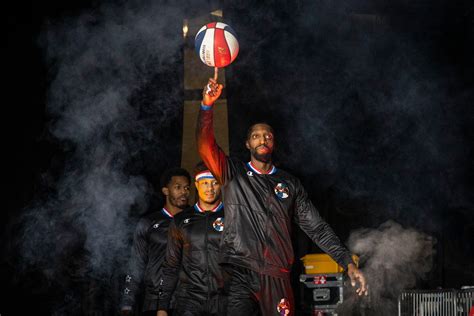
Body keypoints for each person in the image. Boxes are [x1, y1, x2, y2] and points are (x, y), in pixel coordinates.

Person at [196, 78, 368, 315]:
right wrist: (206, 106)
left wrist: (347, 262)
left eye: (267, 136)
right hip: (240, 271)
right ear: (247, 143)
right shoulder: (232, 173)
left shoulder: (289, 183)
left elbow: (317, 228)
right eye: (256, 136)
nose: (262, 139)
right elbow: (205, 146)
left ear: (273, 143)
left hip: (276, 274)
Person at [157, 162, 225, 316]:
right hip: (189, 301)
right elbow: (171, 265)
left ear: (221, 185)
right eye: (205, 183)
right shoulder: (180, 220)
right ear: (196, 184)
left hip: (224, 300)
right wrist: (162, 306)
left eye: (215, 183)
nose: (210, 188)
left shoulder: (233, 216)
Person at [121, 168, 191, 315]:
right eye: (178, 187)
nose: (183, 192)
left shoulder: (196, 221)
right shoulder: (148, 222)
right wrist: (127, 303)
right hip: (154, 301)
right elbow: (136, 264)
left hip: (188, 302)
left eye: (186, 188)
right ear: (166, 191)